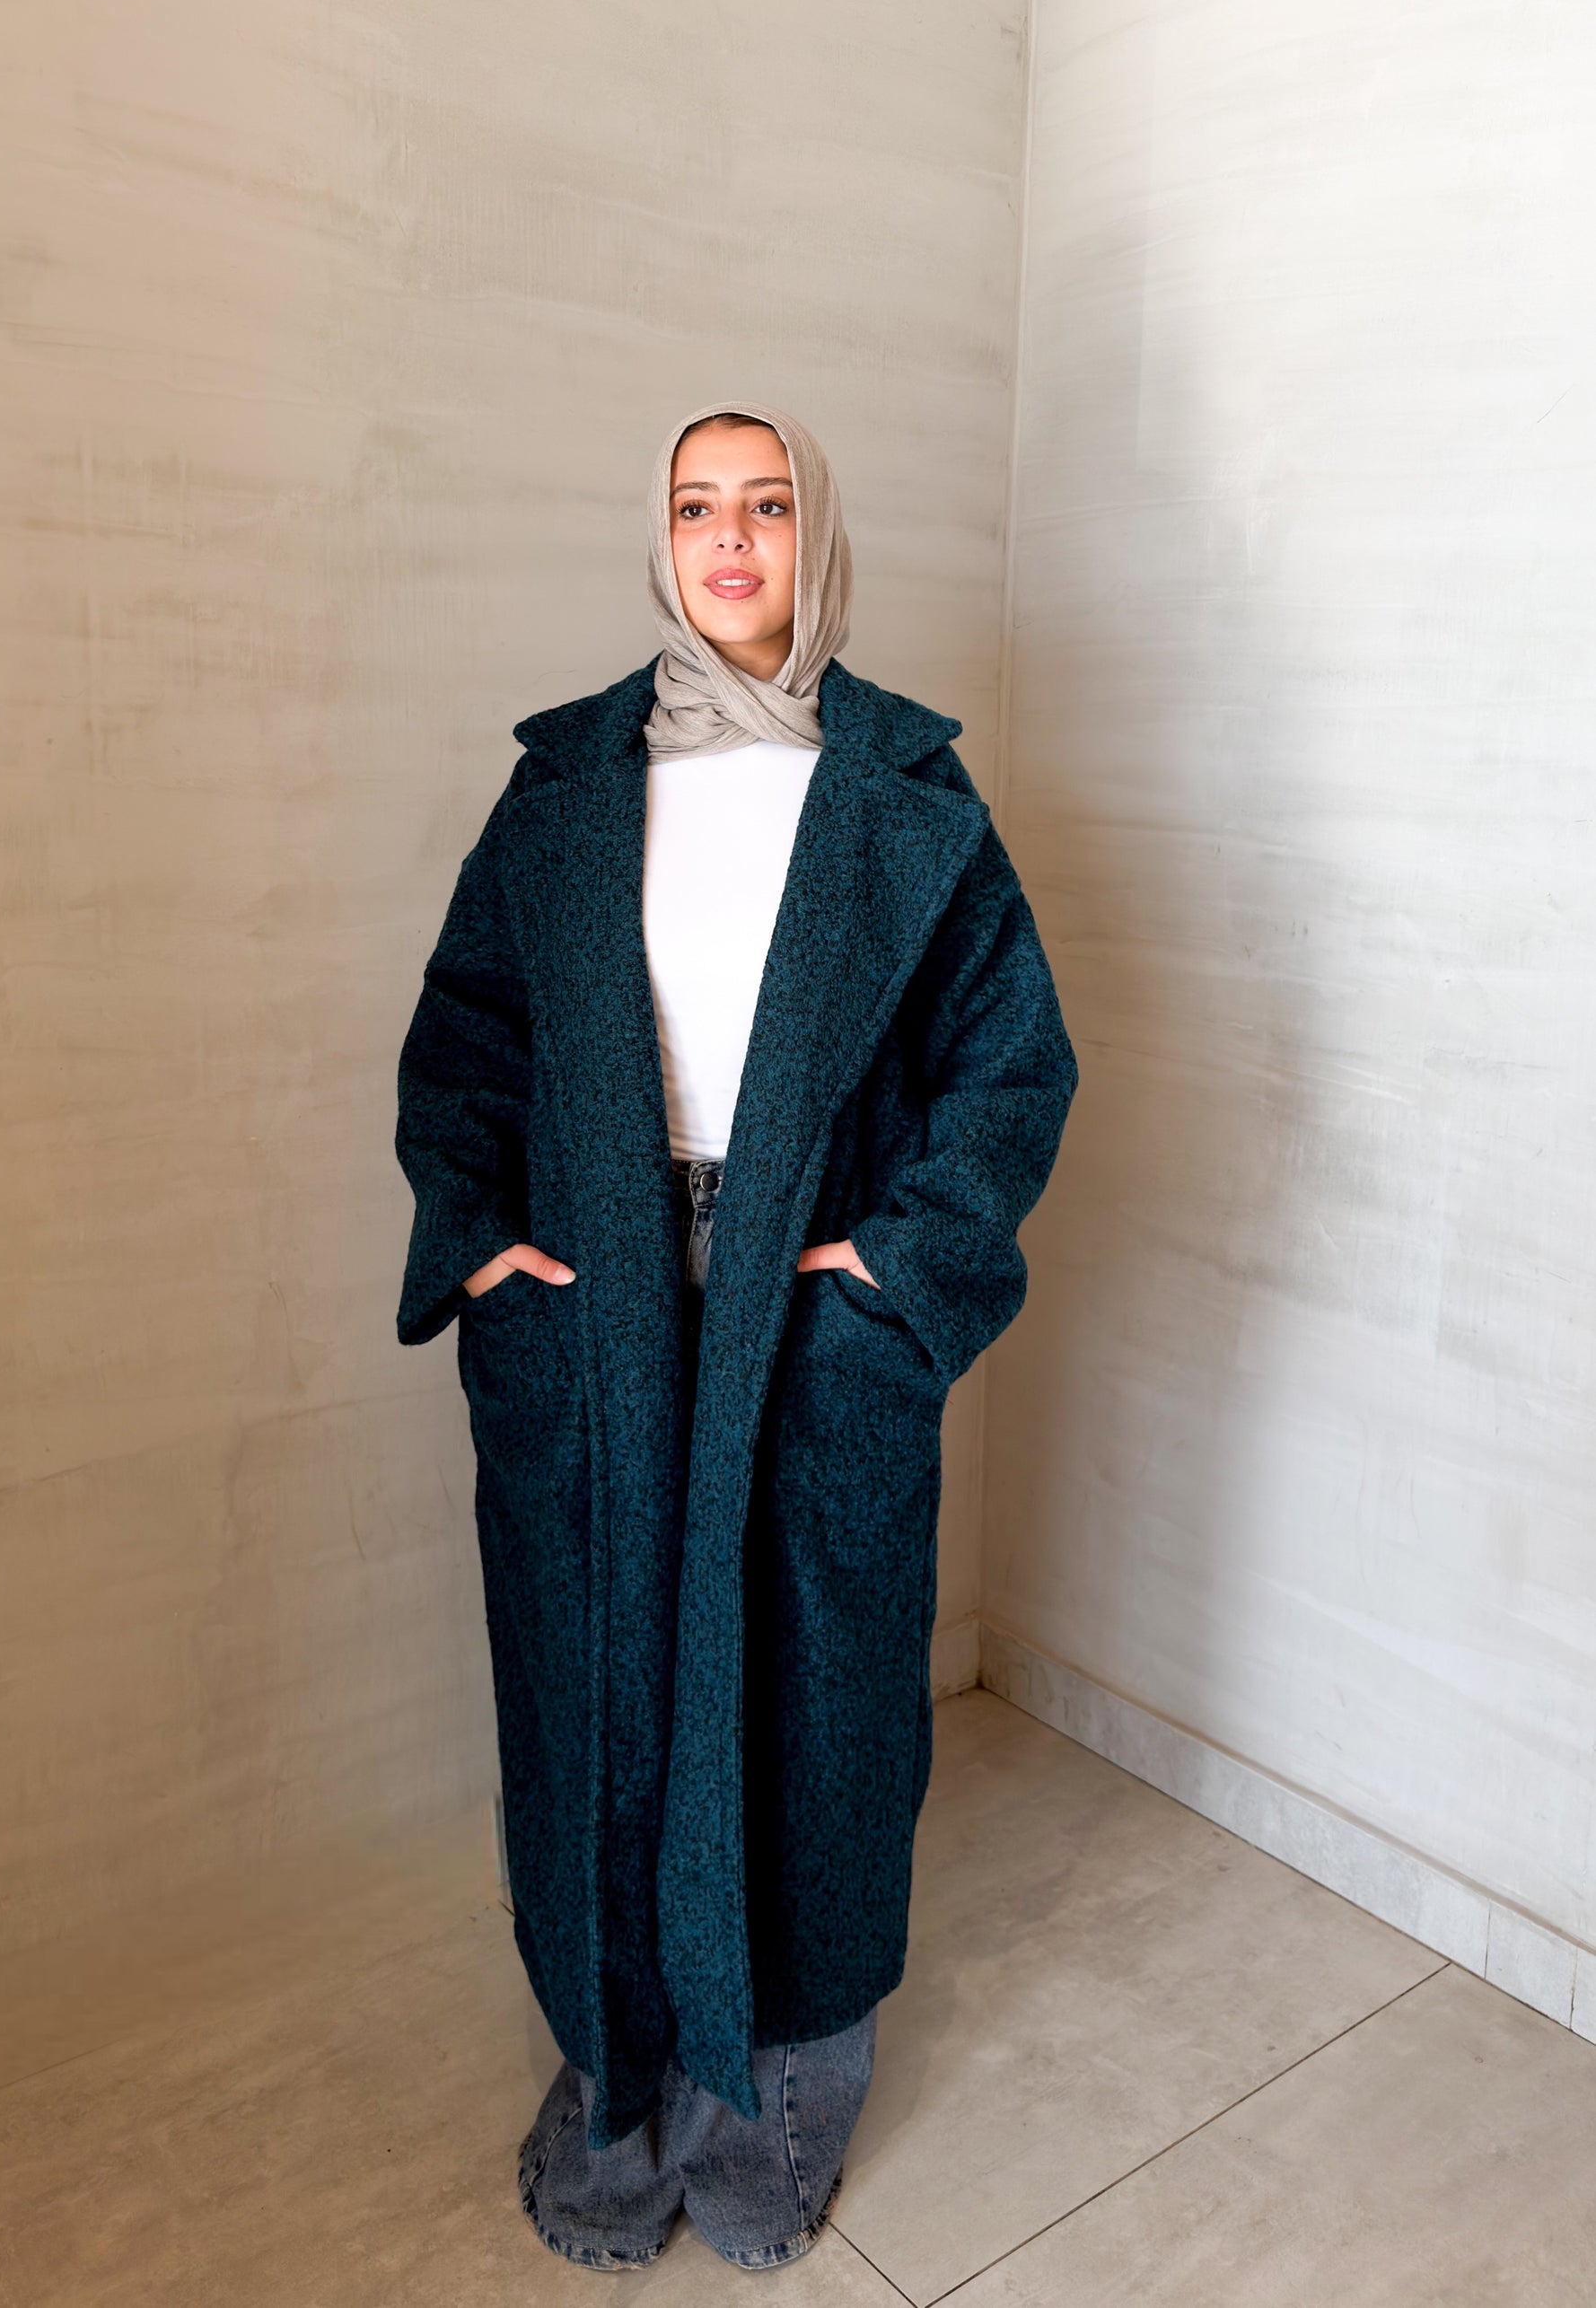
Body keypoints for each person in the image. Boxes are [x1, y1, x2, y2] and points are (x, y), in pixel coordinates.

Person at [394, 402, 1076, 2270]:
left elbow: (1010, 1073)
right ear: (660, 536)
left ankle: (775, 2113)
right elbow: (465, 1044)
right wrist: (484, 1252)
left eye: (766, 505)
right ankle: (617, 2085)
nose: (729, 538)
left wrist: (892, 1286)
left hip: (809, 1295)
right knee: (602, 1692)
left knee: (807, 1708)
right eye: (697, 505)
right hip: (597, 1290)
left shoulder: (906, 792)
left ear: (812, 537)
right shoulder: (568, 782)